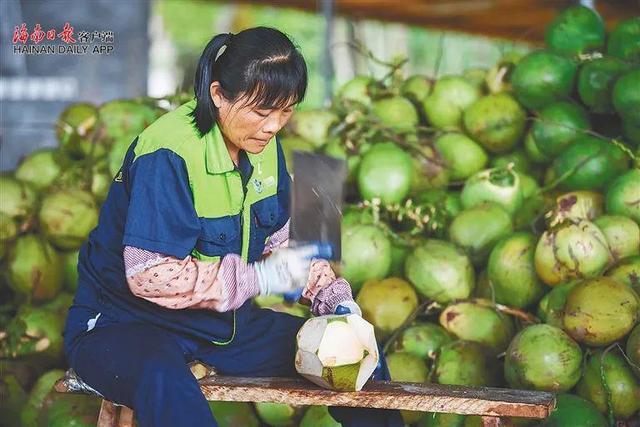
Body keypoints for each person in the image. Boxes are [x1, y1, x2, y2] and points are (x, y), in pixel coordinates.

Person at [62, 27, 403, 427]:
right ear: (218, 95)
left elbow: (285, 240)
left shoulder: (263, 147)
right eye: (262, 111)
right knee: (163, 378)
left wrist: (331, 298)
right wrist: (257, 277)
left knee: (354, 355)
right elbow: (148, 275)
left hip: (220, 328)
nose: (274, 125)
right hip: (121, 325)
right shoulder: (167, 153)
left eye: (287, 111)